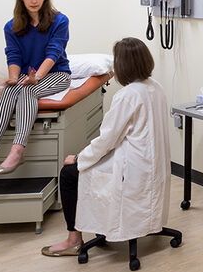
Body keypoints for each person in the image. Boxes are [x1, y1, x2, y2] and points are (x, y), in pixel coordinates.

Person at [42, 37, 171, 256]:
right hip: (152, 167)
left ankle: (74, 240)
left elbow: (107, 140)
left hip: (131, 170)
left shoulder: (127, 96)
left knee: (69, 173)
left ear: (122, 66)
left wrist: (79, 158)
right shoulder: (155, 87)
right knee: (85, 161)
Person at [0, 0, 72, 176]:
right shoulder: (11, 26)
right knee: (9, 90)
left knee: (28, 90)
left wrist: (36, 77)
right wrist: (13, 78)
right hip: (26, 74)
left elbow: (53, 53)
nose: (34, 0)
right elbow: (14, 55)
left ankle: (18, 149)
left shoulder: (60, 21)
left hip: (56, 74)